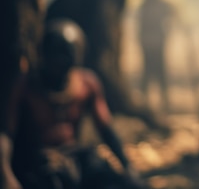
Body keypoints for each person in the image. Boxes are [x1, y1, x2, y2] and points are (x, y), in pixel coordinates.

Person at [0, 19, 144, 189]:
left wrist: (127, 168)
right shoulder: (25, 86)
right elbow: (6, 134)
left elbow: (106, 129)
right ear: (44, 56)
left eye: (64, 60)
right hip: (38, 161)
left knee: (108, 176)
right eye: (54, 58)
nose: (58, 66)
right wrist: (6, 175)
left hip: (75, 155)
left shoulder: (86, 84)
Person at [138, 0, 173, 114]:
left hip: (156, 42)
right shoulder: (146, 5)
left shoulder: (161, 5)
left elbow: (168, 21)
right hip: (150, 42)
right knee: (149, 71)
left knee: (159, 71)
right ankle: (146, 102)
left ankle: (163, 103)